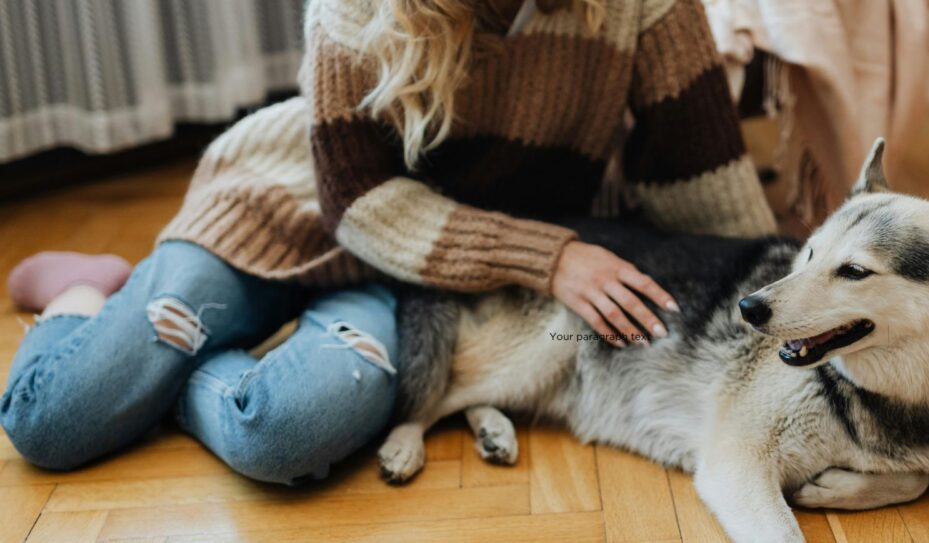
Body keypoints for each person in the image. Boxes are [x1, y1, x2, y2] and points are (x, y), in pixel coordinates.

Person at [1, 0, 775, 484]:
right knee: (53, 421)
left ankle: (167, 363)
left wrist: (777, 309)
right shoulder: (356, 8)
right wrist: (551, 256)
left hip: (421, 273)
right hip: (281, 212)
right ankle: (86, 289)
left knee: (283, 434)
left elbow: (702, 180)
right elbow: (358, 204)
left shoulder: (644, 6)